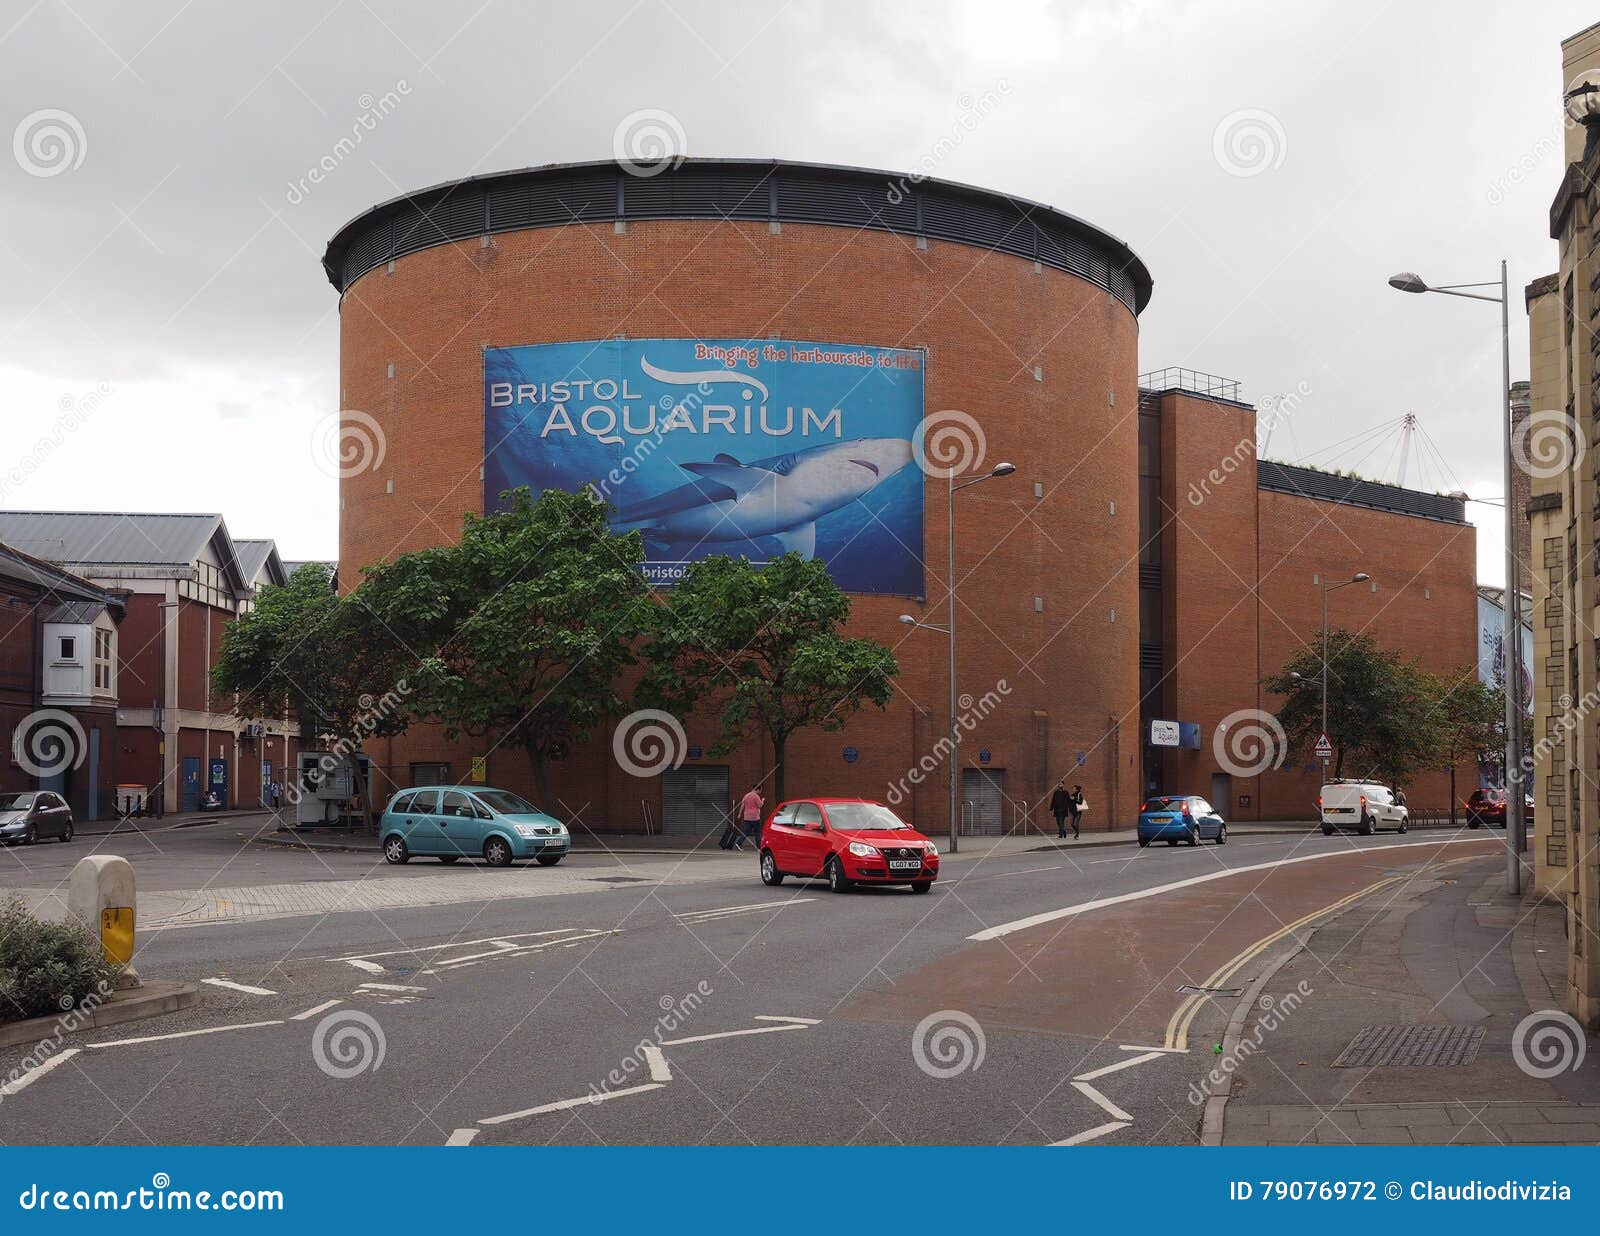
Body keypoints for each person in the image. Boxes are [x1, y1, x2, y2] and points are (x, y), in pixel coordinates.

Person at [738, 786, 765, 851]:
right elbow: (760, 805)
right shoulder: (756, 796)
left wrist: (739, 814)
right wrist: (762, 800)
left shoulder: (746, 795)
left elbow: (742, 805)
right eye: (760, 790)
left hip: (747, 817)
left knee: (746, 831)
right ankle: (759, 847)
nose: (760, 792)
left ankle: (739, 843)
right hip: (755, 817)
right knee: (757, 832)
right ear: (758, 789)